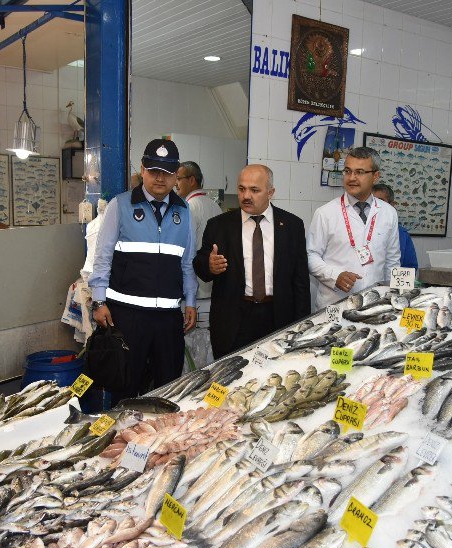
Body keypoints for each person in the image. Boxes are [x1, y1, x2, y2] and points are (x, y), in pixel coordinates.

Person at [89, 139, 197, 400]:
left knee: (167, 389)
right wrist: (98, 301)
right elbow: (102, 256)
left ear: (176, 176)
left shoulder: (184, 212)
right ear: (143, 169)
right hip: (127, 318)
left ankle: (160, 439)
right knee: (125, 385)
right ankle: (120, 439)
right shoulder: (121, 205)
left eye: (168, 173)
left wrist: (190, 301)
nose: (160, 178)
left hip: (168, 320)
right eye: (154, 171)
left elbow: (187, 262)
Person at [193, 164, 311, 359]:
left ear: (270, 192)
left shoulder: (292, 225)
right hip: (233, 320)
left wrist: (302, 325)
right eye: (242, 189)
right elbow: (200, 264)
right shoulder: (219, 225)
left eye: (254, 190)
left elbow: (300, 281)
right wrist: (209, 265)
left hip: (278, 316)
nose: (246, 195)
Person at [307, 146, 401, 309]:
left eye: (360, 172)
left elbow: (392, 261)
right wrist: (334, 276)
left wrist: (393, 298)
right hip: (335, 304)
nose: (351, 178)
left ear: (375, 176)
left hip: (375, 303)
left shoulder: (389, 213)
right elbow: (310, 256)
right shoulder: (325, 213)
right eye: (347, 171)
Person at [176, 160, 222, 367]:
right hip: (212, 293)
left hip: (193, 295)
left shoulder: (189, 208)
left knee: (189, 357)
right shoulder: (214, 206)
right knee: (208, 353)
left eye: (179, 178)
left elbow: (185, 253)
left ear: (192, 180)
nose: (176, 183)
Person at [372, 183, 419, 270]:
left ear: (391, 205)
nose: (375, 206)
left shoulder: (402, 234)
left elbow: (409, 269)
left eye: (380, 201)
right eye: (372, 202)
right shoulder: (358, 228)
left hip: (390, 282)